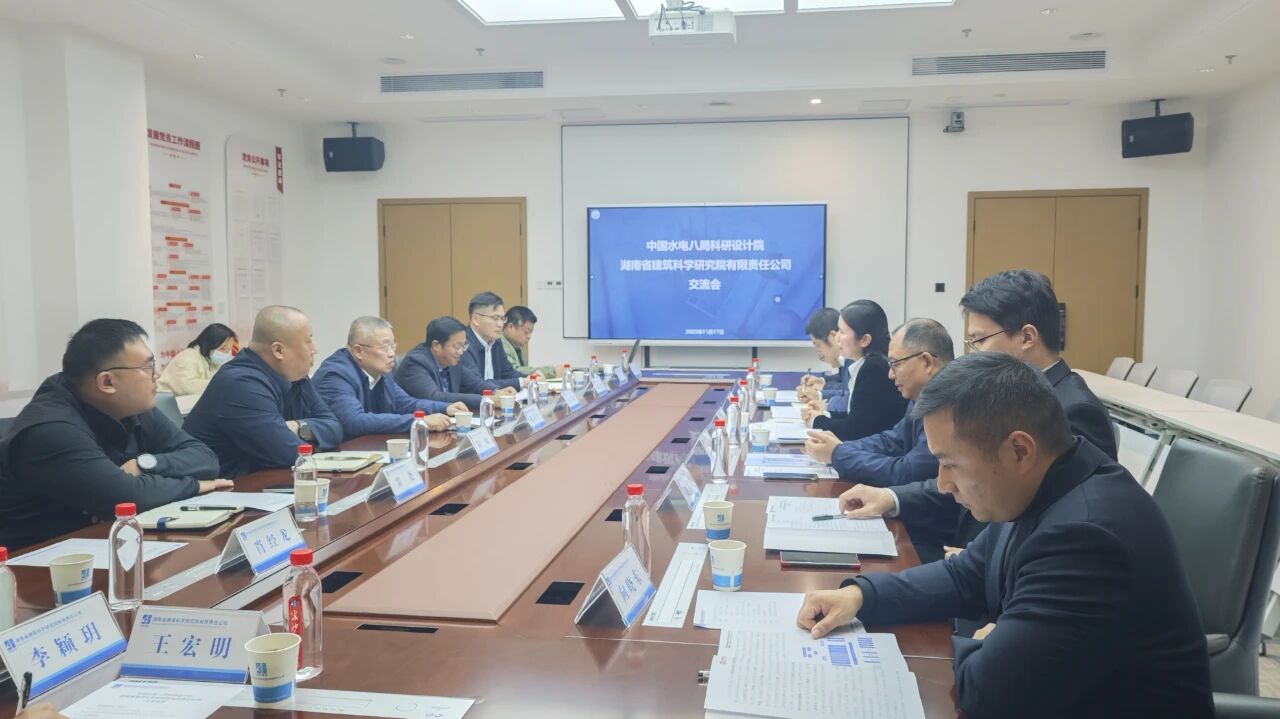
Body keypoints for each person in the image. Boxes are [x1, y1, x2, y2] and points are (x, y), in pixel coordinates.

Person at [796, 353, 1213, 719]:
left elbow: (988, 694)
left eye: (951, 464)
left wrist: (985, 646)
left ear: (1019, 450)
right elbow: (965, 574)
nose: (942, 484)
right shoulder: (1044, 484)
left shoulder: (1086, 539)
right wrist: (861, 596)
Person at [841, 270, 1119, 561]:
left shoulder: (1074, 410)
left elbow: (1063, 522)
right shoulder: (1010, 395)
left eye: (979, 340)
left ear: (1027, 337)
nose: (973, 354)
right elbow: (971, 481)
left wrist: (980, 559)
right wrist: (892, 497)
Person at [0, 319, 228, 550]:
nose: (157, 375)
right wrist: (195, 485)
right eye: (148, 367)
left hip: (107, 543)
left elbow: (206, 459)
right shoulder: (50, 429)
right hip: (38, 560)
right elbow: (129, 498)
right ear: (107, 382)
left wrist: (144, 465)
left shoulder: (130, 406)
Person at [184, 306, 341, 478]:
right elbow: (289, 453)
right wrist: (314, 435)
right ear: (278, 350)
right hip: (227, 488)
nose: (314, 349)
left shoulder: (296, 377)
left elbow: (335, 427)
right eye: (308, 341)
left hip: (265, 480)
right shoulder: (241, 383)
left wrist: (298, 427)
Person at [804, 318, 953, 487]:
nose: (890, 374)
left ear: (927, 362)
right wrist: (839, 448)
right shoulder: (921, 396)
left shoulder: (948, 404)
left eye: (895, 364)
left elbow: (907, 472)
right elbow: (893, 441)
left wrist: (838, 454)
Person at [314, 317, 467, 439]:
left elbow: (404, 403)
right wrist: (419, 422)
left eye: (393, 346)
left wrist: (445, 408)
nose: (392, 353)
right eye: (385, 347)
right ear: (358, 351)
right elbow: (355, 421)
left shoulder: (380, 370)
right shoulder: (335, 375)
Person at [802, 300, 906, 442]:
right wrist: (824, 415)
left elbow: (855, 430)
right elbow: (858, 417)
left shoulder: (874, 368)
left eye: (842, 332)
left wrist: (817, 421)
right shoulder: (869, 362)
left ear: (864, 340)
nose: (836, 337)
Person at [396, 316, 512, 410]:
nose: (461, 351)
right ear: (436, 345)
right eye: (457, 346)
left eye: (463, 345)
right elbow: (434, 397)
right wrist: (486, 400)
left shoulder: (451, 359)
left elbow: (474, 383)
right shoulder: (416, 362)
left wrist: (496, 391)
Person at [460, 291, 527, 391]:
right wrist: (520, 382)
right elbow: (478, 383)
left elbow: (507, 372)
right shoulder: (463, 343)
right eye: (495, 318)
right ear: (475, 319)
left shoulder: (496, 341)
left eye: (502, 319)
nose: (500, 324)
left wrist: (530, 378)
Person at [156, 322, 238, 398]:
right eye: (222, 348)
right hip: (165, 403)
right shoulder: (188, 357)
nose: (225, 354)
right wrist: (221, 384)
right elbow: (188, 387)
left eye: (228, 349)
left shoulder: (214, 360)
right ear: (209, 343)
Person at [795, 308, 850, 406]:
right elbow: (842, 379)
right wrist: (821, 381)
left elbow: (848, 394)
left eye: (818, 345)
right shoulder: (845, 360)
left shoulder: (853, 358)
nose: (819, 352)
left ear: (833, 336)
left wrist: (819, 394)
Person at [501, 306, 561, 380]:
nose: (529, 336)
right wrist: (551, 371)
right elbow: (513, 372)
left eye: (530, 333)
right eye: (526, 332)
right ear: (510, 327)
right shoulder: (500, 343)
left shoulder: (515, 346)